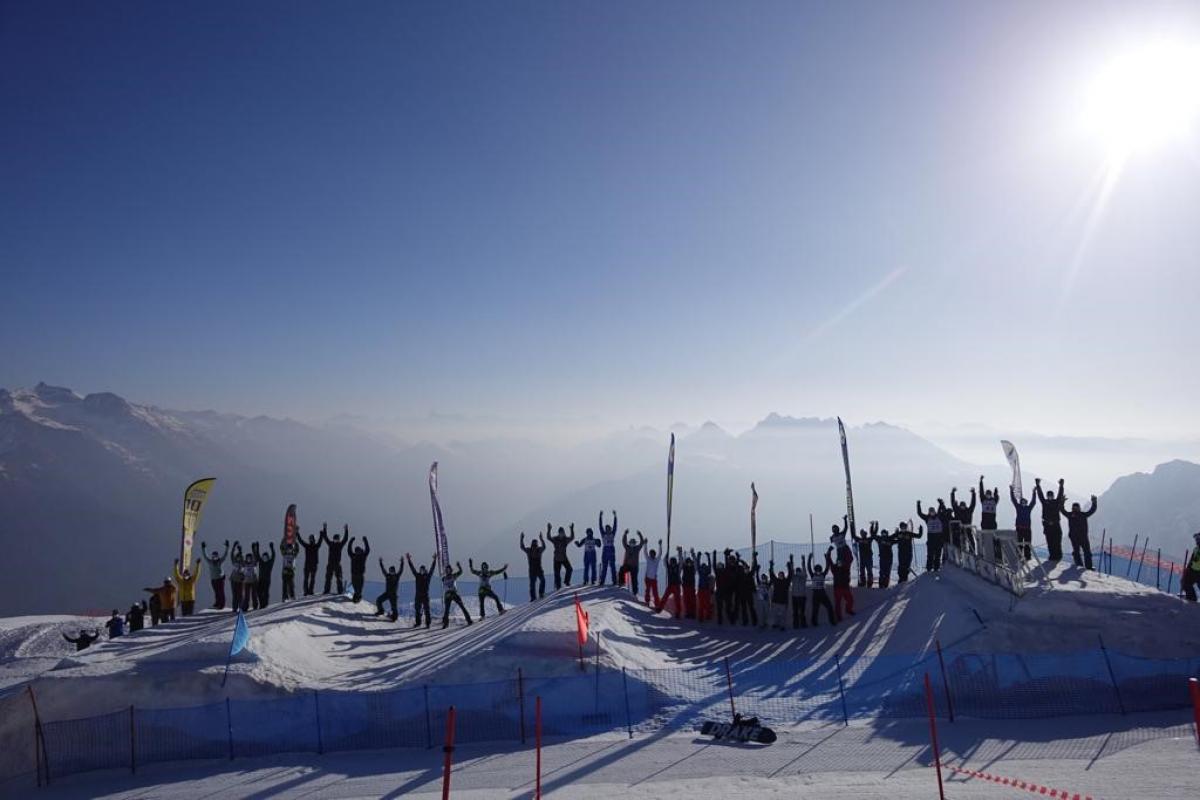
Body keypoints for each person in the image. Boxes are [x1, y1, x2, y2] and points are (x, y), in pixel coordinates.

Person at [1060, 494, 1098, 569]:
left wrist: (1094, 502)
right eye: (1074, 507)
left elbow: (1092, 510)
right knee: (1079, 551)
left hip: (1081, 536)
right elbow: (1062, 510)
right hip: (1076, 537)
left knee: (1085, 552)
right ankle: (1082, 565)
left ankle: (1086, 566)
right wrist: (1062, 502)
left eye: (1076, 507)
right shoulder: (1073, 515)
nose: (1076, 509)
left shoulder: (1077, 515)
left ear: (1079, 508)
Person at [1035, 478, 1066, 561]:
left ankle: (1058, 556)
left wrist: (1061, 485)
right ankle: (1052, 556)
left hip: (1056, 524)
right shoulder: (1044, 502)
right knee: (1050, 542)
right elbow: (1040, 495)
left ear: (1053, 496)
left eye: (1051, 495)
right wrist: (1038, 485)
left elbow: (1060, 494)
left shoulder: (1056, 502)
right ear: (1047, 496)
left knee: (1057, 541)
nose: (1050, 497)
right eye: (1049, 496)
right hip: (1047, 525)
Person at [406, 552, 437, 628]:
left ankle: (428, 623)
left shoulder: (428, 576)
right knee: (417, 610)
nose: (421, 571)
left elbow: (432, 569)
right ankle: (418, 623)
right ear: (419, 570)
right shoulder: (417, 576)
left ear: (425, 570)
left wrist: (434, 560)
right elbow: (412, 569)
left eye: (423, 570)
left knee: (427, 610)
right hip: (418, 596)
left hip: (425, 595)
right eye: (420, 570)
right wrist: (409, 560)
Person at [440, 562, 473, 629]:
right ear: (446, 571)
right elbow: (444, 586)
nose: (448, 571)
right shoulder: (444, 578)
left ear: (451, 570)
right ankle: (445, 623)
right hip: (448, 594)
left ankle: (469, 620)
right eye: (447, 570)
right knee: (447, 610)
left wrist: (459, 566)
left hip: (454, 593)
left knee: (462, 606)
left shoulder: (454, 575)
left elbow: (460, 572)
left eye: (449, 569)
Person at [807, 552, 836, 626]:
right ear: (815, 570)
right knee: (815, 610)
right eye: (817, 570)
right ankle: (814, 622)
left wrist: (826, 558)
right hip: (816, 595)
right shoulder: (812, 575)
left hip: (823, 594)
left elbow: (827, 567)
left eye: (819, 570)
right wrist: (809, 558)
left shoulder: (823, 574)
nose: (818, 571)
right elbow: (809, 567)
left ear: (821, 570)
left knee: (829, 607)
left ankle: (832, 620)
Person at [201, 540, 230, 610]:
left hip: (220, 579)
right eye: (213, 556)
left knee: (221, 592)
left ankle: (222, 604)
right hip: (213, 579)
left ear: (217, 556)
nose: (214, 558)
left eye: (216, 556)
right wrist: (203, 548)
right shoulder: (210, 562)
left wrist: (227, 547)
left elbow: (225, 555)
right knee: (216, 592)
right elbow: (205, 556)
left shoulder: (220, 561)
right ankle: (217, 602)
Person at [519, 531, 547, 601]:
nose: (534, 547)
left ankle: (537, 595)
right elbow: (544, 547)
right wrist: (541, 539)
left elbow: (522, 547)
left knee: (535, 583)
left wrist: (522, 539)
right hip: (534, 569)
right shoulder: (534, 550)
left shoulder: (532, 550)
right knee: (534, 584)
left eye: (535, 545)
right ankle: (536, 595)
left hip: (536, 569)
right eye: (534, 545)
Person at [829, 545, 855, 621]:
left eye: (841, 562)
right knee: (838, 603)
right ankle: (839, 616)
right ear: (837, 563)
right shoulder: (834, 568)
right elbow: (829, 561)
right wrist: (829, 552)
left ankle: (848, 610)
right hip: (837, 588)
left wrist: (847, 548)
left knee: (850, 600)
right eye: (838, 562)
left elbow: (850, 559)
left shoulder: (846, 567)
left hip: (845, 587)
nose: (839, 563)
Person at [917, 501, 944, 571]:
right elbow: (920, 514)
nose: (932, 513)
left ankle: (936, 568)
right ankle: (929, 568)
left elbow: (940, 510)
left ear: (934, 511)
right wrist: (918, 505)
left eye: (933, 511)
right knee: (930, 555)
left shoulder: (939, 517)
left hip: (939, 538)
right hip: (931, 539)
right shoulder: (927, 518)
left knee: (938, 555)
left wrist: (940, 503)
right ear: (929, 512)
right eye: (930, 512)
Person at [322, 524, 349, 594]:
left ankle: (340, 591)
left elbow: (345, 539)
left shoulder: (340, 545)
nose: (336, 540)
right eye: (335, 539)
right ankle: (326, 590)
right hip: (330, 563)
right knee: (328, 578)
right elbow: (325, 538)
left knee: (339, 578)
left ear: (339, 539)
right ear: (333, 539)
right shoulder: (330, 544)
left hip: (337, 564)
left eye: (337, 539)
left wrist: (346, 530)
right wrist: (324, 528)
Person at [1011, 487, 1036, 560]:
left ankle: (1027, 556)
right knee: (1019, 543)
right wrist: (1011, 491)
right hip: (1019, 528)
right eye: (1022, 502)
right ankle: (1018, 555)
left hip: (1027, 529)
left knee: (1027, 543)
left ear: (1026, 503)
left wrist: (1034, 493)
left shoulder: (1028, 508)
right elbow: (1013, 500)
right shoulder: (1018, 507)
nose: (1023, 503)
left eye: (1024, 502)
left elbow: (1033, 502)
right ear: (1021, 502)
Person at [547, 524, 575, 590]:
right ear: (559, 533)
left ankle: (566, 581)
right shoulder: (555, 539)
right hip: (557, 558)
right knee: (557, 573)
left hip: (564, 557)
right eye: (560, 533)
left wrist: (571, 529)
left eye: (562, 532)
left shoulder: (565, 539)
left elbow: (572, 538)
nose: (561, 534)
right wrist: (549, 529)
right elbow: (549, 537)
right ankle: (558, 586)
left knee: (569, 569)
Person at [375, 557, 404, 621]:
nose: (391, 572)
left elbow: (401, 570)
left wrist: (402, 562)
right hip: (387, 593)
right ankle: (381, 611)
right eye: (390, 571)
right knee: (378, 600)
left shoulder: (397, 576)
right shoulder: (387, 576)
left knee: (394, 607)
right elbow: (383, 570)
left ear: (394, 571)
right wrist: (381, 563)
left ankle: (394, 617)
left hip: (393, 595)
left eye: (392, 571)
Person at [656, 551, 683, 619]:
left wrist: (680, 553)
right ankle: (660, 608)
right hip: (670, 585)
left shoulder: (678, 567)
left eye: (673, 562)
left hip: (676, 585)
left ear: (675, 562)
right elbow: (664, 561)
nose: (672, 563)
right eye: (671, 562)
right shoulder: (668, 567)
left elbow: (681, 561)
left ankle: (678, 613)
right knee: (665, 597)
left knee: (677, 600)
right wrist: (666, 554)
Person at [735, 556, 758, 626]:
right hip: (742, 594)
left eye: (747, 568)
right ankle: (745, 621)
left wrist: (755, 558)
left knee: (751, 607)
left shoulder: (750, 574)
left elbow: (754, 567)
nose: (746, 570)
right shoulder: (740, 575)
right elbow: (737, 566)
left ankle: (754, 621)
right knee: (743, 608)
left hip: (749, 594)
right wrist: (739, 560)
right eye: (745, 569)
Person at [767, 560, 790, 630]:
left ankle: (782, 626)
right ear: (778, 575)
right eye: (779, 575)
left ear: (783, 575)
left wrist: (789, 566)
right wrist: (771, 565)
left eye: (782, 575)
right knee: (775, 614)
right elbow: (771, 574)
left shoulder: (786, 582)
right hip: (775, 601)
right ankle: (775, 624)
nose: (780, 576)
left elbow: (790, 575)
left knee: (783, 615)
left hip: (783, 601)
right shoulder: (776, 581)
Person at [598, 510, 619, 585]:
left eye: (608, 529)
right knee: (605, 567)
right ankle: (602, 581)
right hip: (605, 550)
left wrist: (615, 516)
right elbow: (600, 526)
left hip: (611, 550)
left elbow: (615, 526)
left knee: (612, 566)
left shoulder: (612, 534)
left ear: (610, 529)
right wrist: (600, 517)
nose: (607, 530)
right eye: (606, 529)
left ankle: (614, 581)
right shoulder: (603, 534)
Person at [347, 536, 371, 602]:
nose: (357, 552)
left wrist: (365, 540)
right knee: (355, 588)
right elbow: (349, 550)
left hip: (360, 575)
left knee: (359, 589)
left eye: (358, 551)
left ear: (360, 551)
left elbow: (367, 550)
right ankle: (356, 597)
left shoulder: (363, 556)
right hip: (354, 575)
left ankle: (358, 597)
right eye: (356, 551)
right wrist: (351, 541)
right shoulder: (353, 556)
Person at [787, 554, 807, 628]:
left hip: (800, 596)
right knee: (796, 612)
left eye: (799, 570)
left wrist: (803, 561)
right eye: (797, 570)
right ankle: (796, 624)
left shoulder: (803, 577)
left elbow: (804, 569)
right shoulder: (794, 577)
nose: (798, 571)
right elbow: (791, 571)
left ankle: (802, 624)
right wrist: (791, 560)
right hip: (796, 596)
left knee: (801, 611)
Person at [254, 542, 276, 609]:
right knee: (259, 592)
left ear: (268, 557)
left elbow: (273, 556)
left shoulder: (270, 563)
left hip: (267, 580)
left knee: (266, 592)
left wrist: (272, 548)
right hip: (260, 580)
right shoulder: (261, 562)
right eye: (263, 557)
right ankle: (261, 604)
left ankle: (265, 604)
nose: (264, 558)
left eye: (266, 557)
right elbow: (257, 555)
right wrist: (257, 547)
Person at [873, 523, 895, 588]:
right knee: (882, 572)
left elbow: (897, 539)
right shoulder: (879, 539)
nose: (884, 535)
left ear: (887, 534)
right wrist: (876, 527)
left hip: (889, 558)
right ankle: (881, 584)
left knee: (887, 572)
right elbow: (873, 534)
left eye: (885, 533)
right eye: (882, 533)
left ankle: (886, 585)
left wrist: (897, 533)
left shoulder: (890, 539)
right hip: (882, 558)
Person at [280, 535, 300, 602]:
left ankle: (292, 596)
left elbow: (297, 549)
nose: (289, 550)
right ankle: (284, 597)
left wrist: (295, 540)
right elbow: (281, 547)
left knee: (291, 584)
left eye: (290, 549)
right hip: (285, 571)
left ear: (292, 549)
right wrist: (284, 539)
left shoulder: (294, 554)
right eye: (288, 549)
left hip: (291, 571)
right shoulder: (284, 553)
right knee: (285, 585)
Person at [696, 550, 714, 622]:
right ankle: (702, 617)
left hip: (706, 589)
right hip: (702, 589)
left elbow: (709, 565)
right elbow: (698, 564)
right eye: (702, 566)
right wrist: (699, 556)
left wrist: (708, 556)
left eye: (704, 566)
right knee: (702, 604)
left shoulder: (707, 571)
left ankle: (707, 616)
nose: (703, 567)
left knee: (706, 603)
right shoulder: (701, 571)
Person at [643, 541, 662, 608]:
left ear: (654, 554)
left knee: (655, 592)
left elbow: (660, 554)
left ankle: (657, 604)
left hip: (653, 579)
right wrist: (645, 544)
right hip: (648, 578)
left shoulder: (656, 561)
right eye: (650, 554)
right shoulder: (648, 559)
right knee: (647, 590)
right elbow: (645, 552)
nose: (651, 555)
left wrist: (660, 545)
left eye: (653, 554)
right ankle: (647, 601)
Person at [1182, 532, 1200, 602]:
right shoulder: (1196, 549)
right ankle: (1192, 599)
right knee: (1186, 583)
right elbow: (1192, 560)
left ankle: (1192, 599)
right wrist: (1188, 568)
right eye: (1196, 539)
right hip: (1192, 571)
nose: (1196, 541)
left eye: (1198, 539)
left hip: (1198, 572)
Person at [681, 549, 698, 619]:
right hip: (685, 586)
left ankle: (693, 613)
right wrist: (680, 553)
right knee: (686, 600)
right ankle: (688, 613)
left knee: (692, 600)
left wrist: (693, 555)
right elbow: (681, 561)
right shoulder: (684, 568)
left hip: (691, 586)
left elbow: (696, 563)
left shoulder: (693, 569)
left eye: (689, 562)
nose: (688, 563)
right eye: (687, 562)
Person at [229, 546, 245, 613]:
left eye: (239, 557)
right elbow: (231, 555)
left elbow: (243, 560)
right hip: (233, 580)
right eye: (237, 557)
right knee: (234, 595)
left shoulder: (243, 563)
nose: (238, 558)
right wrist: (234, 547)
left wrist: (240, 551)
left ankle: (241, 607)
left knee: (240, 595)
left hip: (240, 581)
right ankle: (234, 608)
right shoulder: (234, 562)